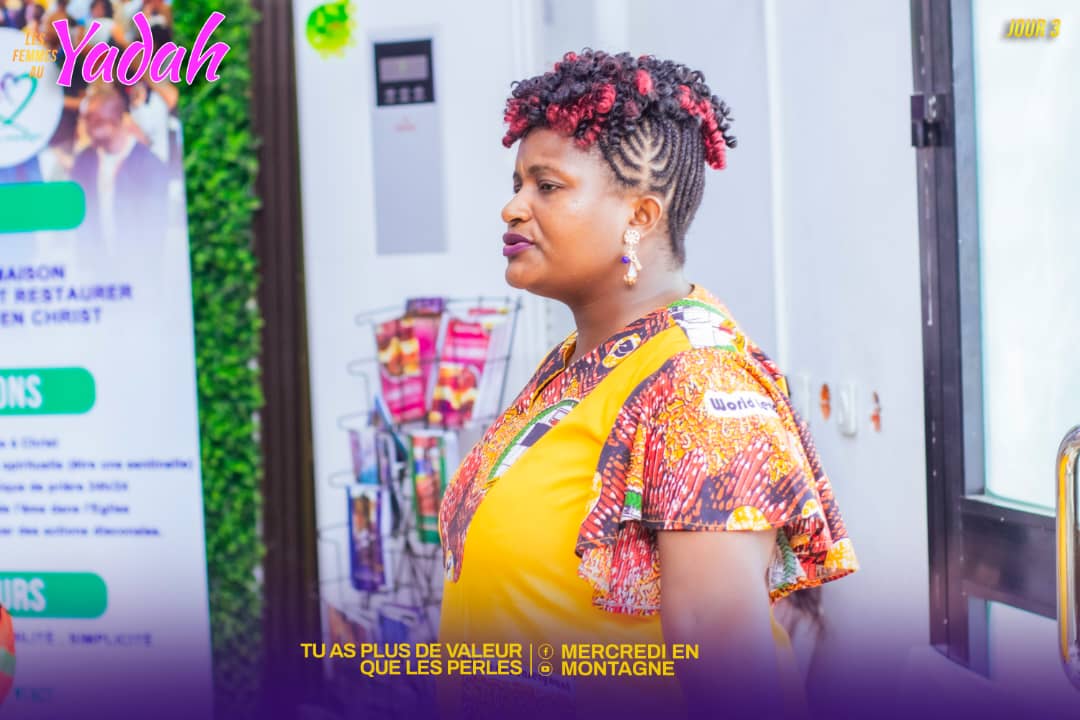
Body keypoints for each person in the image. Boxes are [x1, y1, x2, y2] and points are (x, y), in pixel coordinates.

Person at [436, 50, 859, 720]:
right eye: (518, 183)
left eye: (547, 186)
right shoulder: (578, 363)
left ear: (639, 217)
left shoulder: (699, 388)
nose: (512, 207)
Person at [69, 86, 169, 253]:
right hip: (95, 263)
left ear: (118, 120)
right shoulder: (83, 162)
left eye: (97, 122)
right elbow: (81, 226)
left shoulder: (149, 165)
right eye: (85, 121)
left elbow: (154, 231)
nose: (87, 130)